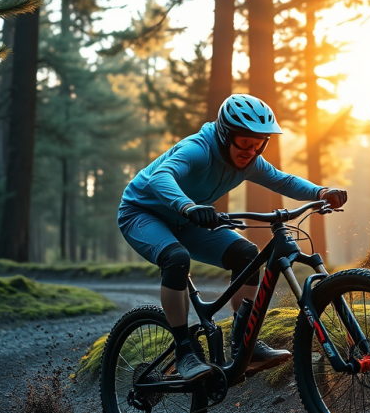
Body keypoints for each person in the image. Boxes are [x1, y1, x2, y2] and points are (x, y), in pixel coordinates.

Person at [118, 94, 347, 381]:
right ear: (226, 134)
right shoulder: (198, 149)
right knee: (176, 259)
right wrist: (188, 206)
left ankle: (242, 345)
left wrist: (321, 192)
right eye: (244, 142)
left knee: (247, 254)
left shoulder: (251, 162)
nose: (251, 151)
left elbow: (284, 180)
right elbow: (160, 177)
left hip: (188, 219)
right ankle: (184, 352)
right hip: (142, 214)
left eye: (259, 143)